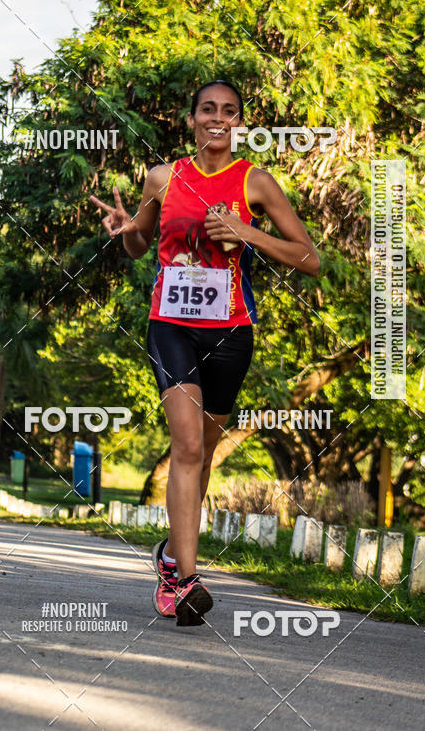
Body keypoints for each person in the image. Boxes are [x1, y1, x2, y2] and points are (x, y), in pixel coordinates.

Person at [90, 80, 320, 626]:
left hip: (230, 331)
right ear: (191, 118)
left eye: (229, 111)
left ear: (239, 121)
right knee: (188, 445)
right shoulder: (162, 178)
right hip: (170, 324)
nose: (218, 118)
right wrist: (125, 230)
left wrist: (247, 231)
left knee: (204, 450)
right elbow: (141, 243)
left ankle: (172, 554)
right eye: (207, 110)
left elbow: (309, 257)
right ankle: (184, 582)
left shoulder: (255, 182)